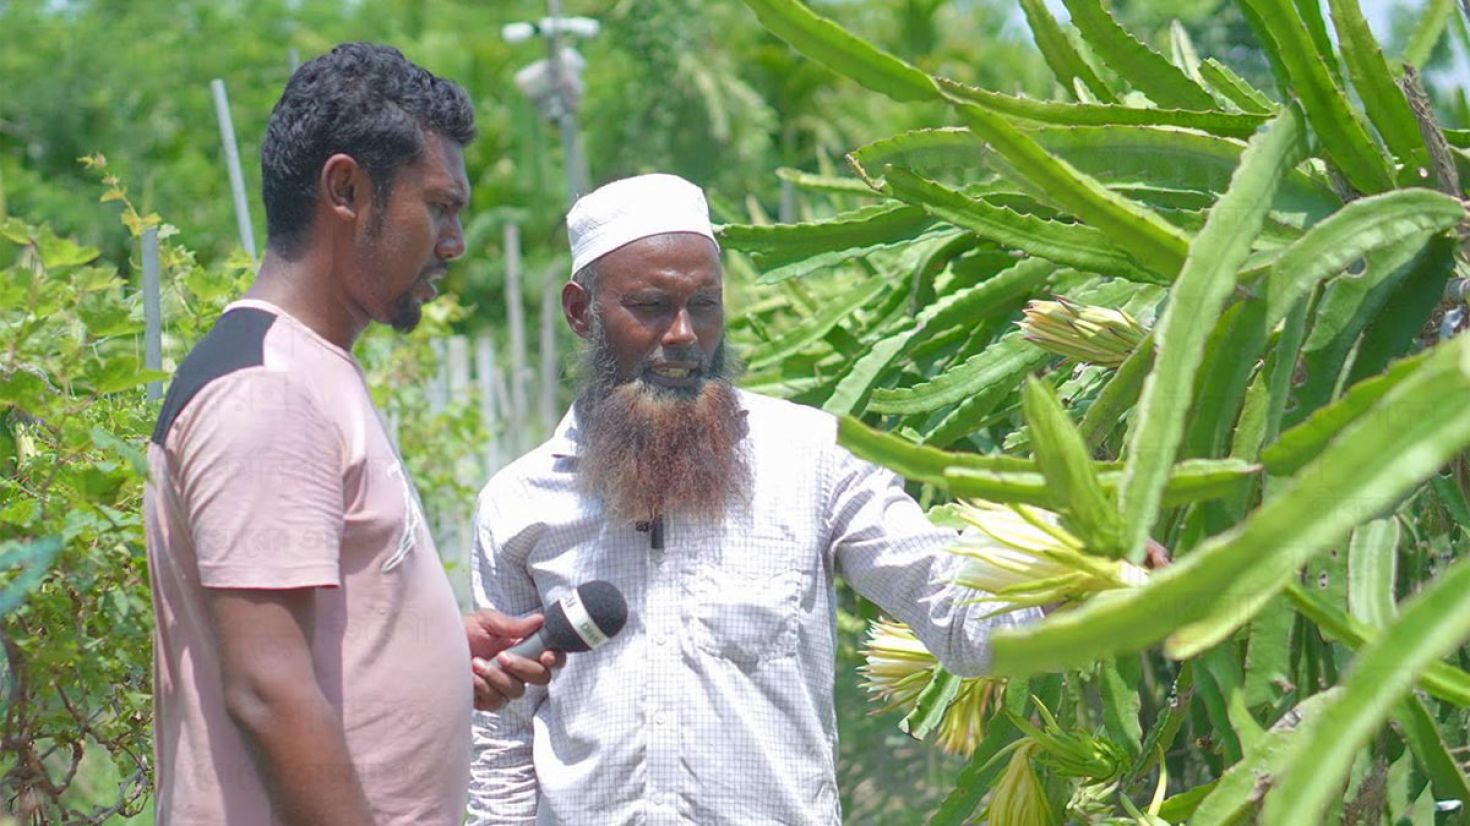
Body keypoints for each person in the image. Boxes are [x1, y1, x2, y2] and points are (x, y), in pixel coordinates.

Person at [466, 173, 1038, 825]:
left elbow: (958, 617)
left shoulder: (813, 458)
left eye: (703, 305)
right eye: (651, 306)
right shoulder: (519, 505)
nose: (683, 333)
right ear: (580, 311)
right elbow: (500, 741)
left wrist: (1081, 575)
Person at [143, 43, 559, 826]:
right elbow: (269, 690)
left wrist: (434, 651)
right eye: (438, 206)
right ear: (346, 189)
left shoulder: (308, 368)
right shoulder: (269, 390)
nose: (454, 243)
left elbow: (300, 630)